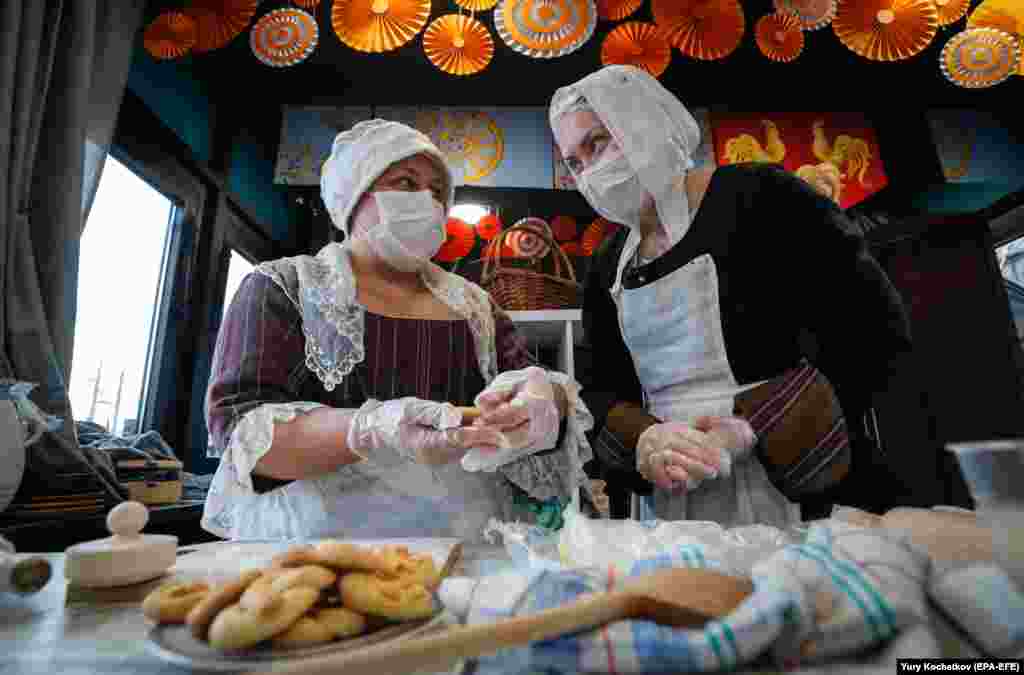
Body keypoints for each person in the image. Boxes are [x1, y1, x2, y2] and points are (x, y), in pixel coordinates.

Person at [200, 119, 599, 542]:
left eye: (438, 192)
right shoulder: (283, 288)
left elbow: (527, 392)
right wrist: (372, 429)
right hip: (314, 551)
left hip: (465, 546)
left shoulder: (477, 307)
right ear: (354, 193)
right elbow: (240, 429)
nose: (427, 200)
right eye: (406, 182)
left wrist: (544, 397)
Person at [549, 66, 913, 526]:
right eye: (575, 163)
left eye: (597, 143)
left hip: (794, 476)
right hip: (670, 494)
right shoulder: (607, 265)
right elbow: (601, 387)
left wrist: (748, 427)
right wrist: (643, 439)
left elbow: (872, 327)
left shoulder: (762, 198)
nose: (590, 173)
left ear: (640, 120)